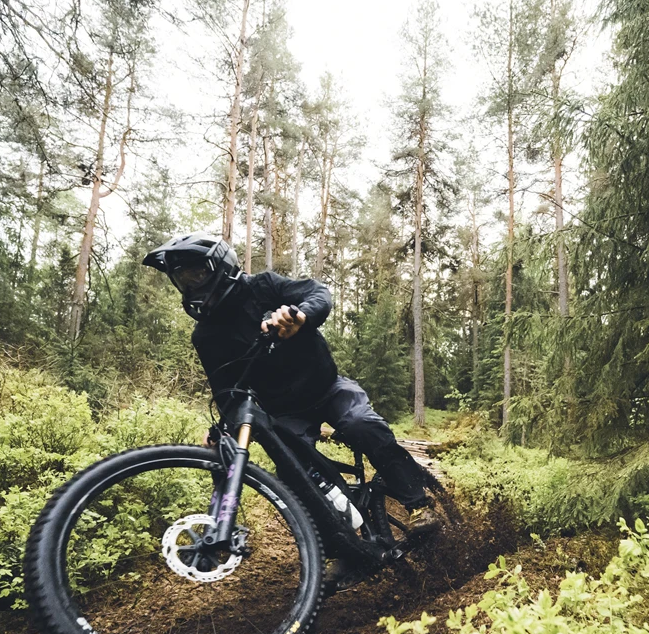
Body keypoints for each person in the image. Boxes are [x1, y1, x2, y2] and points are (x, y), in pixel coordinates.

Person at [142, 232, 441, 549]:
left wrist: (301, 315)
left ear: (220, 266)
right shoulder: (205, 336)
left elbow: (318, 293)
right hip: (284, 414)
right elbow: (228, 393)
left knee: (361, 424)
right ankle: (341, 550)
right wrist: (225, 429)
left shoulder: (263, 287)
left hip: (328, 387)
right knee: (293, 474)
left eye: (196, 275)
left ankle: (418, 504)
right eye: (182, 280)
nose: (191, 287)